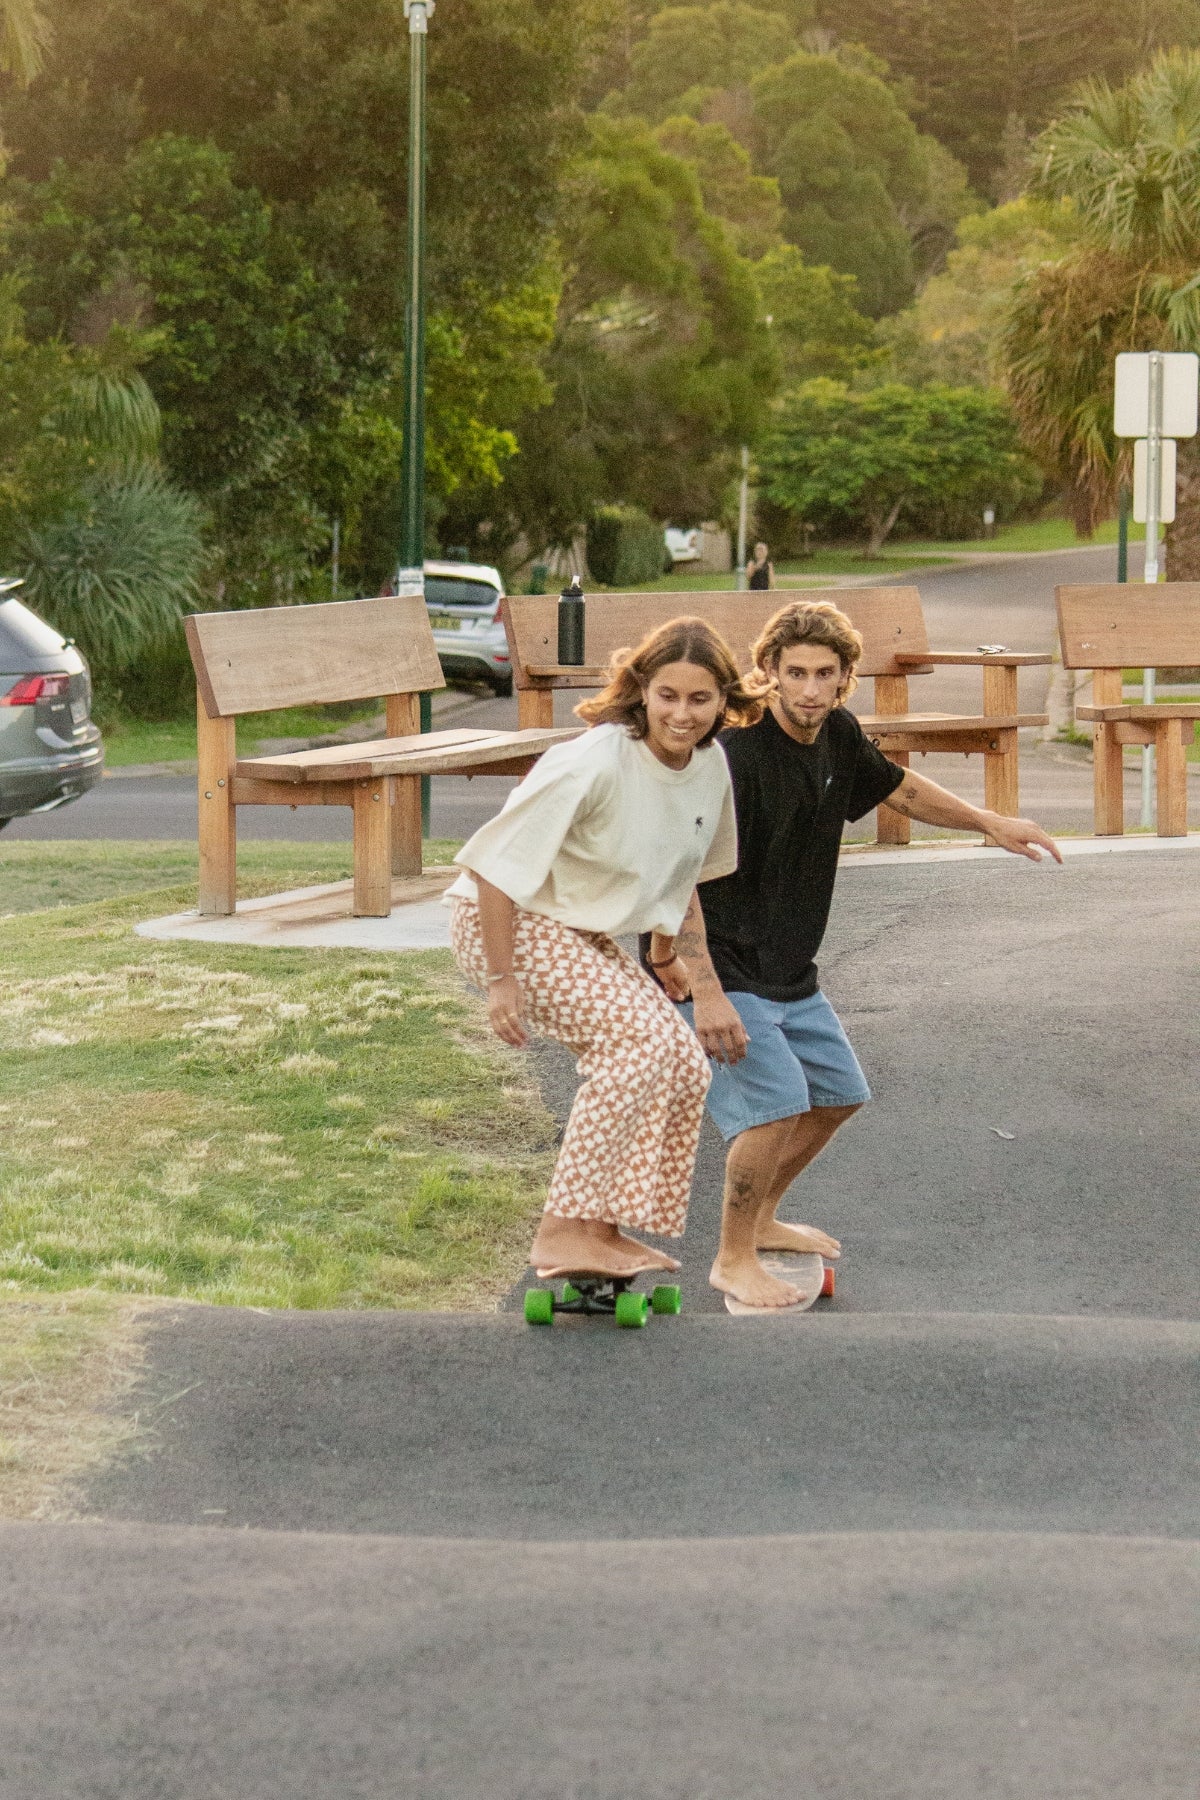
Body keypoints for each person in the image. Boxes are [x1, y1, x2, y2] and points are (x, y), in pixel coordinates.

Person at [645, 599, 1063, 1310]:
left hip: (790, 971)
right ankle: (732, 1256)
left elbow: (896, 786)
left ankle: (765, 1218)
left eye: (825, 675)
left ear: (845, 681)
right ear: (769, 672)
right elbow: (675, 877)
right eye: (796, 673)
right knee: (774, 1108)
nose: (810, 689)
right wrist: (704, 992)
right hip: (723, 966)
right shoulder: (734, 757)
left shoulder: (836, 733)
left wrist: (987, 821)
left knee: (837, 1093)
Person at [445, 617, 766, 1280]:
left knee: (681, 1058)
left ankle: (602, 1228)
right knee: (638, 1043)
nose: (682, 713)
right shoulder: (594, 760)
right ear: (643, 690)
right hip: (502, 920)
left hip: (574, 931)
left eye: (700, 699)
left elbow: (683, 875)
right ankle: (561, 1230)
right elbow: (493, 867)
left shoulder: (709, 770)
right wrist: (503, 980)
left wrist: (667, 953)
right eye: (668, 695)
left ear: (722, 702)